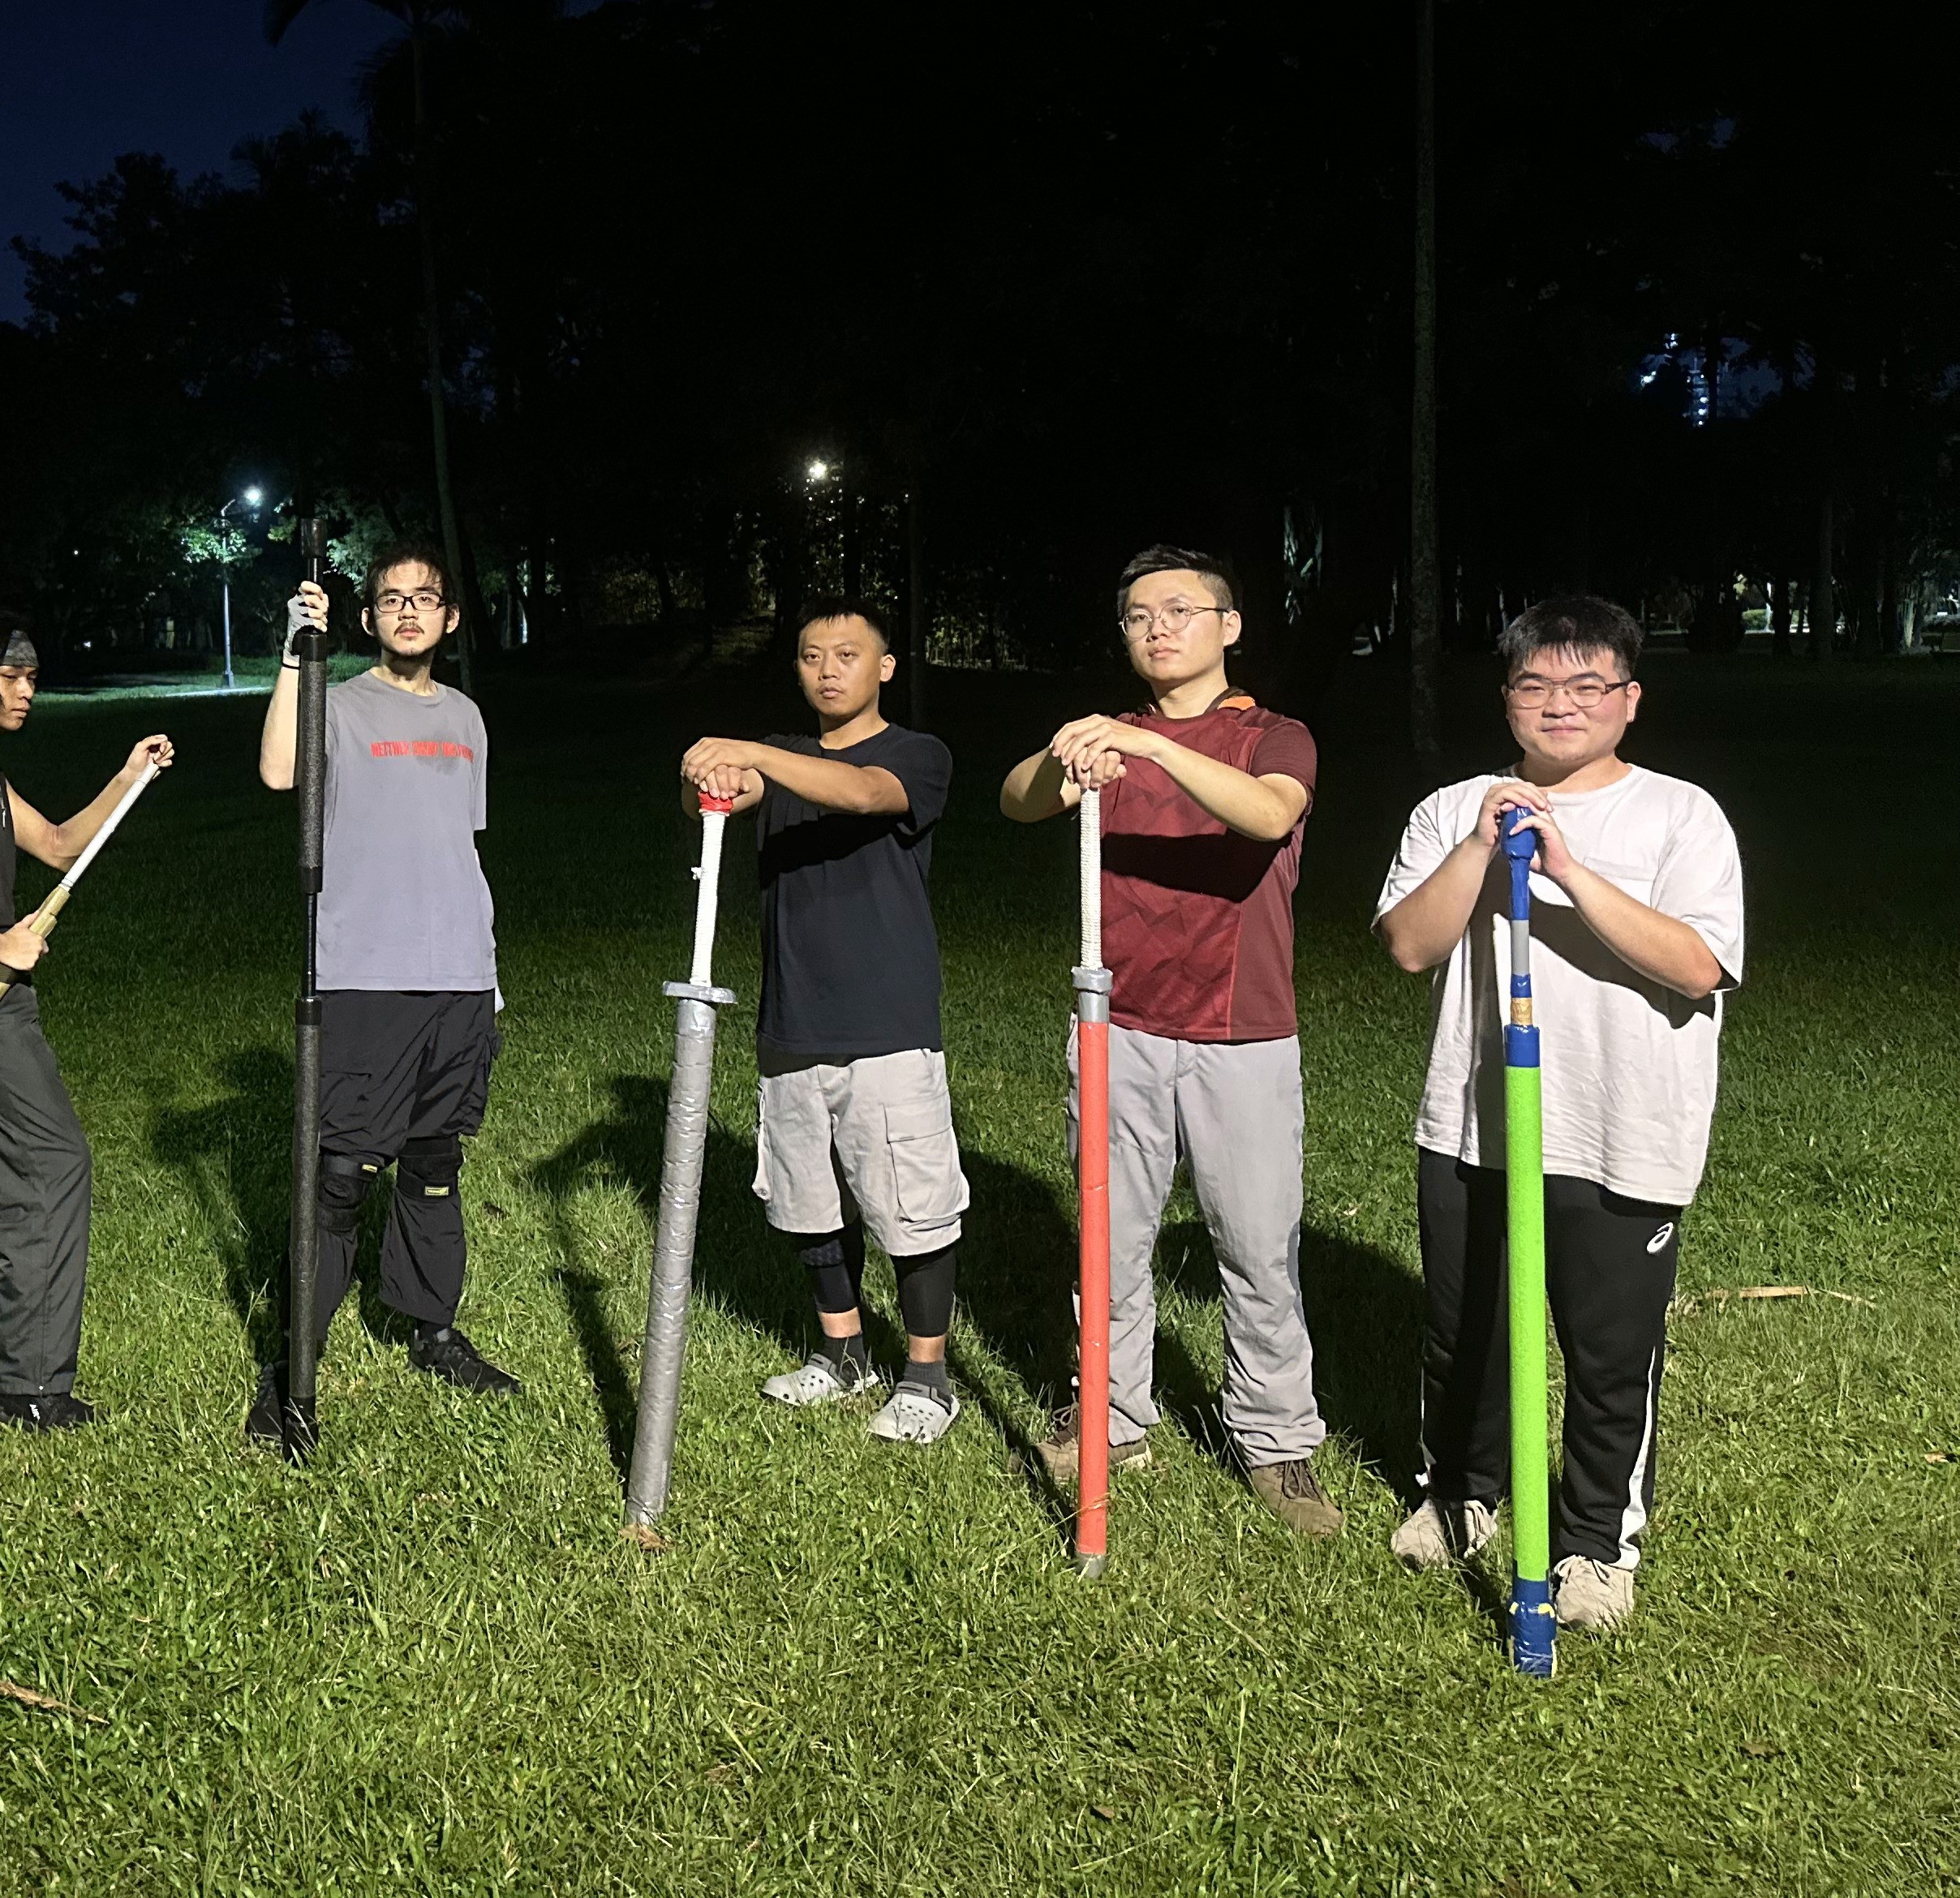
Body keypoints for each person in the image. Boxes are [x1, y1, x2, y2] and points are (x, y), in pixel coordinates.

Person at [1372, 595, 1742, 1634]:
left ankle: (1593, 1545)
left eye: (1587, 686)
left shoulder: (1682, 816)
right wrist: (1484, 849)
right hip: (1474, 1122)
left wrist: (1571, 871)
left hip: (1624, 1128)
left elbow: (1699, 963)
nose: (1560, 706)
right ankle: (1461, 1495)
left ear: (1629, 701)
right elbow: (1408, 946)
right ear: (1507, 700)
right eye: (1536, 685)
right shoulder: (1457, 809)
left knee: (1610, 1351)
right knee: (1466, 1332)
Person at [999, 544, 1339, 1536]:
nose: (1159, 628)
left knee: (1257, 1246)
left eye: (1182, 610)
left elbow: (1270, 815)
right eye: (1140, 614)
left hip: (1240, 1032)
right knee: (1109, 1242)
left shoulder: (1275, 737)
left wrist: (1149, 750)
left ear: (1229, 626)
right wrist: (1064, 761)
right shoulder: (1107, 740)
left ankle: (1276, 1443)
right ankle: (1111, 1416)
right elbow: (1017, 802)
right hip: (1118, 1026)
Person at [248, 541, 521, 1445]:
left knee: (436, 1164)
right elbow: (281, 773)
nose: (409, 612)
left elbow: (460, 847)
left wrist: (488, 970)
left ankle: (433, 1329)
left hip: (460, 978)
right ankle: (295, 1366)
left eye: (426, 599)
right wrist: (296, 653)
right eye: (392, 600)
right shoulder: (337, 700)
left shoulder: (469, 717)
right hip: (365, 973)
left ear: (448, 618)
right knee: (339, 1176)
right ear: (368, 619)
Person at [681, 601, 965, 1444]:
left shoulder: (916, 754)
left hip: (886, 1019)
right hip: (792, 1017)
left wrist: (751, 750)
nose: (828, 669)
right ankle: (843, 1354)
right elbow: (741, 789)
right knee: (810, 1202)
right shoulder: (787, 759)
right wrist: (715, 774)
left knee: (909, 1206)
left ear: (885, 666)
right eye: (811, 656)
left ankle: (927, 1375)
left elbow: (865, 793)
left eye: (848, 654)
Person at [0, 611, 174, 1431]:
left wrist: (128, 777)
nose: (26, 691)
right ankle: (27, 1388)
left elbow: (52, 843)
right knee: (50, 1167)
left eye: (34, 676)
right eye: (10, 675)